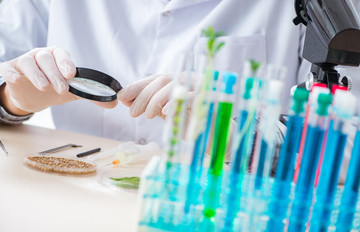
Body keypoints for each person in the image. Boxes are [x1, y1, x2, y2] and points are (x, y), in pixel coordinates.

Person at [0, 0, 314, 146]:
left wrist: (239, 134)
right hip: (69, 198)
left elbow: (345, 145)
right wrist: (12, 98)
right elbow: (6, 64)